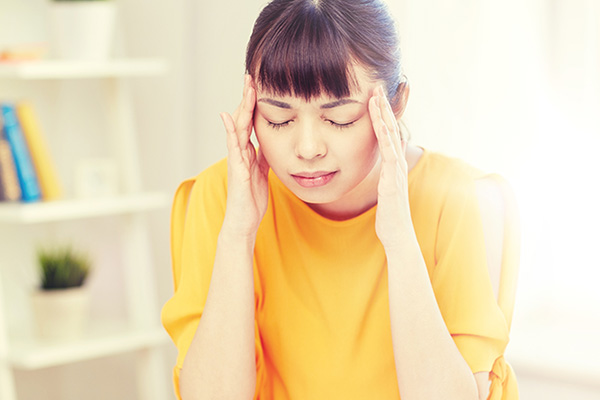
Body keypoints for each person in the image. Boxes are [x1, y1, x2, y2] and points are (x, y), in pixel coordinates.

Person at [161, 0, 520, 399]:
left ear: (396, 103)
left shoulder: (459, 200)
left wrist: (400, 239)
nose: (308, 147)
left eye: (340, 119)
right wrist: (238, 236)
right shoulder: (223, 196)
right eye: (279, 118)